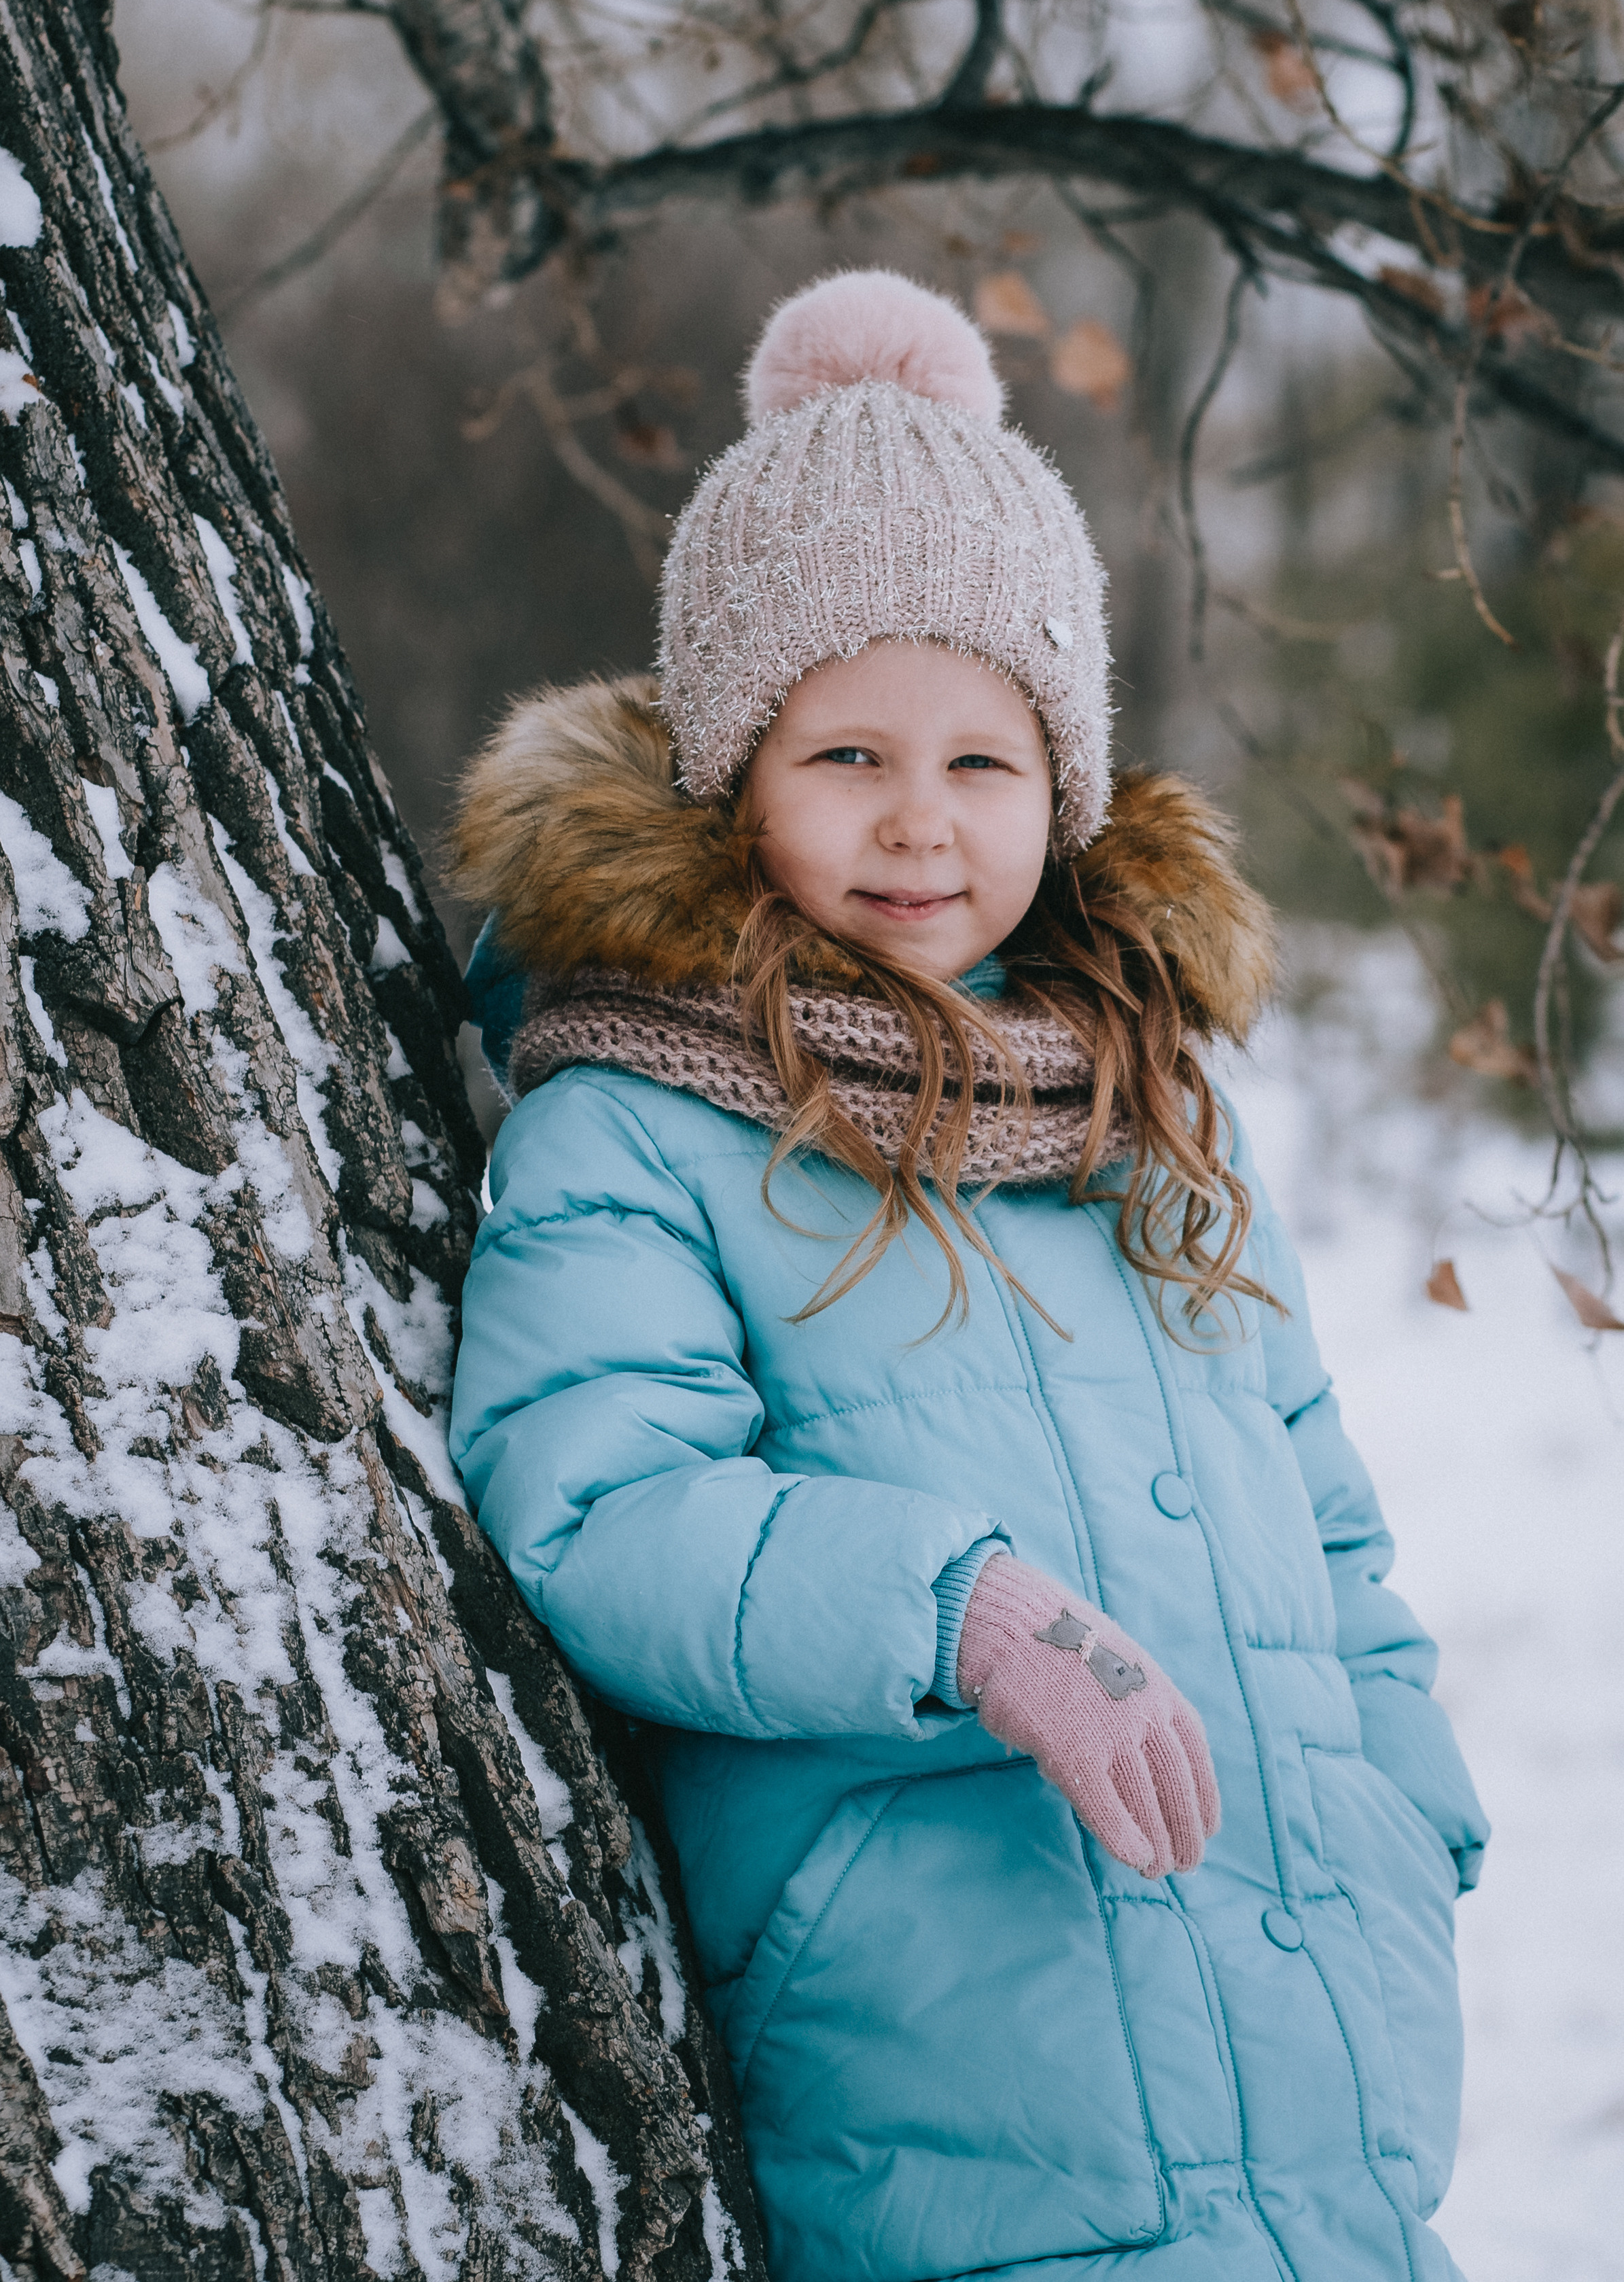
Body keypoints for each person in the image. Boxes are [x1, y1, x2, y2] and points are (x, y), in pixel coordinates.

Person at [448, 270, 1487, 2282]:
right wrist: (962, 1612)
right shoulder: (647, 1111)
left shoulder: (1151, 1100)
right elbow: (597, 1500)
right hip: (971, 2088)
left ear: (1068, 781)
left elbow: (1325, 1512)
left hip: (1329, 2077)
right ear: (735, 771)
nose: (919, 823)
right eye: (844, 751)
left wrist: (1403, 1814)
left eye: (983, 761)